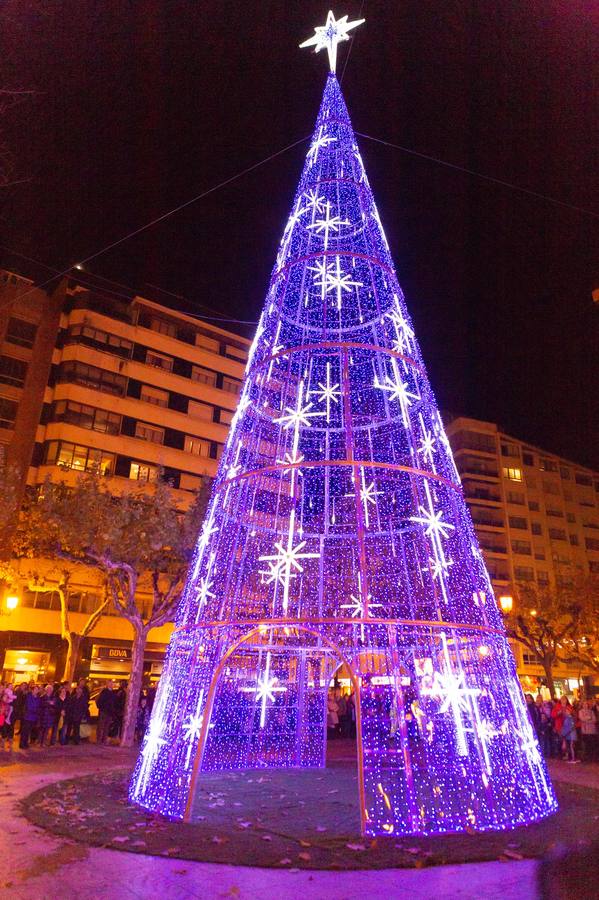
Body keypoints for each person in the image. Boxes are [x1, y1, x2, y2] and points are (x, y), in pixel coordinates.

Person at [19, 685, 41, 749]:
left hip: (34, 718)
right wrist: (35, 710)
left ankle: (25, 743)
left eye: (37, 689)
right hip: (27, 716)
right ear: (32, 690)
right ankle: (22, 744)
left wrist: (37, 711)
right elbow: (29, 706)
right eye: (35, 689)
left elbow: (39, 706)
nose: (36, 691)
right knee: (24, 732)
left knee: (28, 732)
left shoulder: (38, 698)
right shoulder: (29, 696)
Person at [0, 686, 16, 751]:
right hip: (1, 718)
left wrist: (6, 712)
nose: (6, 698)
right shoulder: (1, 703)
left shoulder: (8, 705)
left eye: (7, 698)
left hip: (3, 720)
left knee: (4, 731)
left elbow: (7, 714)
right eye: (5, 697)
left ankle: (3, 743)